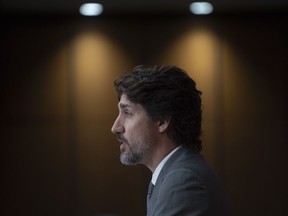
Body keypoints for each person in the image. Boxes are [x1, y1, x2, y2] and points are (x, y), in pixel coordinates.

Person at [111, 65, 230, 216]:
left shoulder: (182, 180)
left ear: (162, 121)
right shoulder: (173, 175)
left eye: (127, 113)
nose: (116, 127)